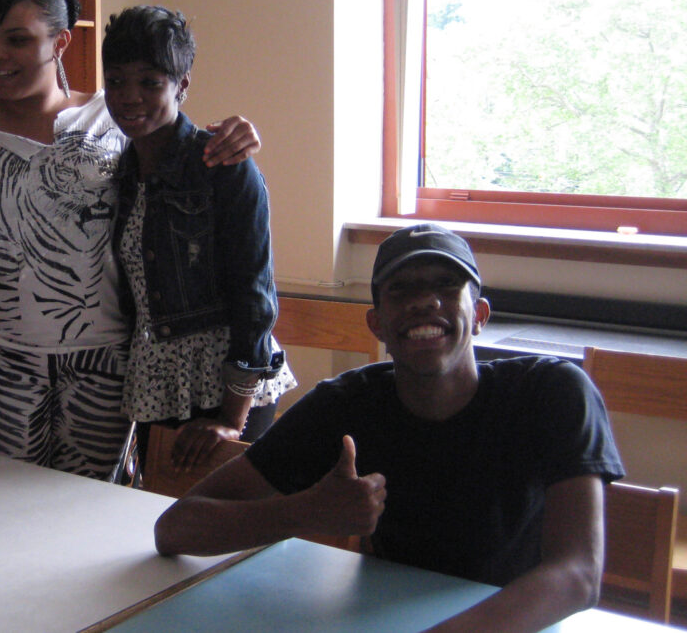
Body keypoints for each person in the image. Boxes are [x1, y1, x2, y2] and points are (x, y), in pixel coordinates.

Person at [154, 224, 625, 631]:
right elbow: (175, 530)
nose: (424, 302)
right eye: (401, 290)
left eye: (446, 285)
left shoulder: (552, 392)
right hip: (382, 615)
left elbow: (578, 574)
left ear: (479, 315)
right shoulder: (345, 406)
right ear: (376, 324)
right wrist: (303, 513)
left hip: (523, 620)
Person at [0, 0, 263, 479]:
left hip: (109, 367)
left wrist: (240, 135)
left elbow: (184, 157)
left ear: (61, 41)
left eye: (17, 39)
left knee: (92, 516)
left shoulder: (114, 118)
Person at [101, 6, 295, 472]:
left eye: (150, 82)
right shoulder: (121, 172)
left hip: (226, 387)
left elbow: (254, 298)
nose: (130, 97)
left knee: (227, 531)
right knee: (159, 523)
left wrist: (232, 419)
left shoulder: (223, 165)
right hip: (156, 382)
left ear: (182, 85)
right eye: (117, 81)